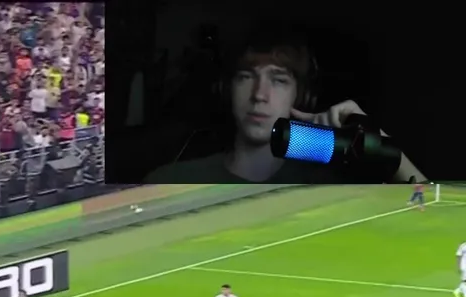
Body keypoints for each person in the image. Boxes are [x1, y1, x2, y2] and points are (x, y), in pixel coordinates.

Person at [145, 26, 426, 184]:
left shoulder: (327, 185)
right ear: (226, 89)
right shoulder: (170, 181)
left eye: (278, 80)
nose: (260, 95)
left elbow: (440, 221)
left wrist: (379, 144)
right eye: (246, 77)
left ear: (301, 97)